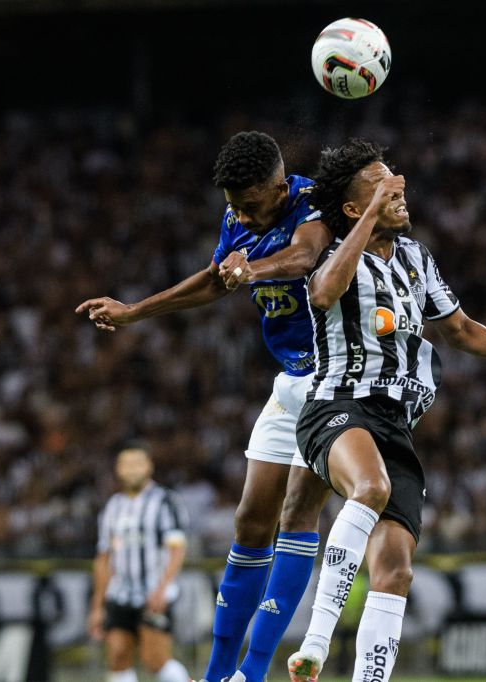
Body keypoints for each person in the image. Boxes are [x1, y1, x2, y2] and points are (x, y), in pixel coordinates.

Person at [280, 138, 486, 682]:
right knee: (371, 489)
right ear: (355, 208)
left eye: (395, 178)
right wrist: (367, 220)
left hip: (396, 425)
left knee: (396, 569)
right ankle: (315, 642)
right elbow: (322, 295)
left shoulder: (416, 258)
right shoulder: (329, 249)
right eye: (381, 186)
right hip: (338, 404)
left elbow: (460, 331)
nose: (398, 189)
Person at [75, 131, 333, 682]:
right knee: (249, 520)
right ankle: (218, 675)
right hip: (290, 379)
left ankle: (253, 672)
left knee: (295, 514)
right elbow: (216, 282)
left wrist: (252, 270)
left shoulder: (315, 201)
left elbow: (307, 255)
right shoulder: (240, 216)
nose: (238, 214)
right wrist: (134, 312)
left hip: (335, 378)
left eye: (249, 204)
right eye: (232, 205)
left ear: (280, 187)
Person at [88, 445, 191, 682]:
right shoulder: (113, 506)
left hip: (154, 592)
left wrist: (162, 588)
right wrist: (97, 605)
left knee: (154, 659)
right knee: (117, 656)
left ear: (149, 467)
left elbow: (177, 549)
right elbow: (103, 558)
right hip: (120, 594)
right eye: (127, 464)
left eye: (138, 463)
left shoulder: (166, 501)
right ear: (118, 469)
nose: (133, 470)